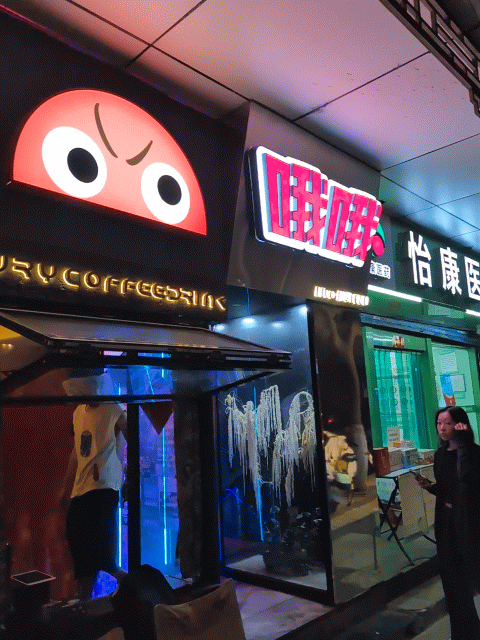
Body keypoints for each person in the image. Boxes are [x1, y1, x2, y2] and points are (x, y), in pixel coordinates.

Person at [57, 371, 127, 601]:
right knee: (77, 540)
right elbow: (76, 453)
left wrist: (127, 474)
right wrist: (65, 487)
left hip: (104, 488)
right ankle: (86, 600)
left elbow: (132, 434)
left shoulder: (113, 408)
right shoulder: (78, 413)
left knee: (103, 552)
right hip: (81, 488)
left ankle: (127, 587)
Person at [416, 405, 480, 640]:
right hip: (446, 524)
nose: (441, 428)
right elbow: (446, 490)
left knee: (471, 576)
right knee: (452, 583)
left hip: (469, 524)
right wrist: (429, 486)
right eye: (439, 423)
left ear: (460, 426)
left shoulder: (472, 453)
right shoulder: (440, 454)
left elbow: (467, 481)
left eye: (448, 423)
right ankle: (464, 632)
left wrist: (463, 444)